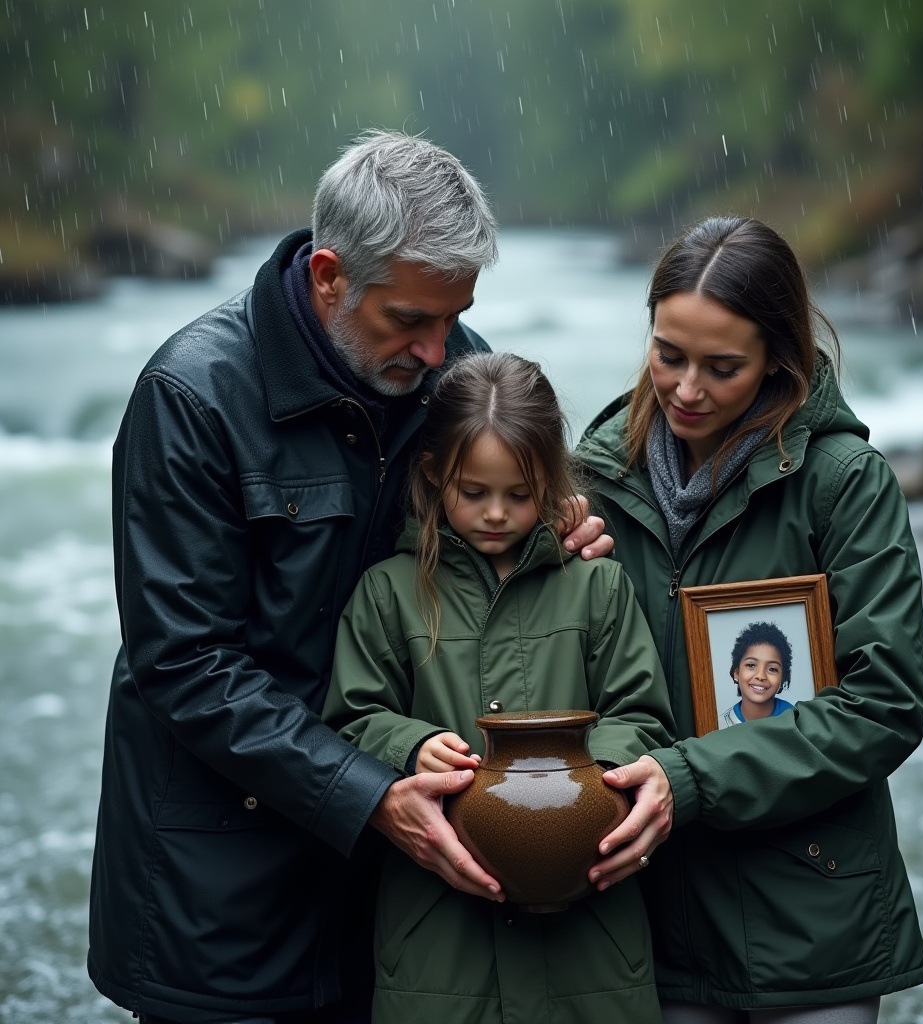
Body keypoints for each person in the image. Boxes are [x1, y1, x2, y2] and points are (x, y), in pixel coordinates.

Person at [88, 131, 611, 1024]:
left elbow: (499, 515)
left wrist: (555, 531)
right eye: (409, 320)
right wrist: (369, 796)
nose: (440, 351)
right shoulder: (191, 396)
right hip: (218, 888)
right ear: (330, 275)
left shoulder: (452, 369)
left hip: (398, 890)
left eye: (455, 317)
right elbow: (185, 663)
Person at [575, 216, 923, 1023]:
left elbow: (885, 706)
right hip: (645, 921)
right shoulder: (592, 480)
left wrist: (688, 780)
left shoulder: (847, 485)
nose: (686, 389)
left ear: (778, 356)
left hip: (813, 923)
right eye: (669, 354)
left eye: (722, 367)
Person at [322, 351, 674, 1024]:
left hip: (591, 945)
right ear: (433, 475)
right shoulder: (389, 594)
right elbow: (350, 717)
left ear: (552, 481)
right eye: (472, 492)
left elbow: (644, 711)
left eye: (519, 494)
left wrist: (588, 779)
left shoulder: (596, 584)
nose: (495, 514)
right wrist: (413, 743)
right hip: (437, 945)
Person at [718, 621, 795, 728]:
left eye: (772, 669)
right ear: (736, 672)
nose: (760, 676)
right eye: (751, 665)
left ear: (783, 679)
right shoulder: (721, 726)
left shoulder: (795, 720)